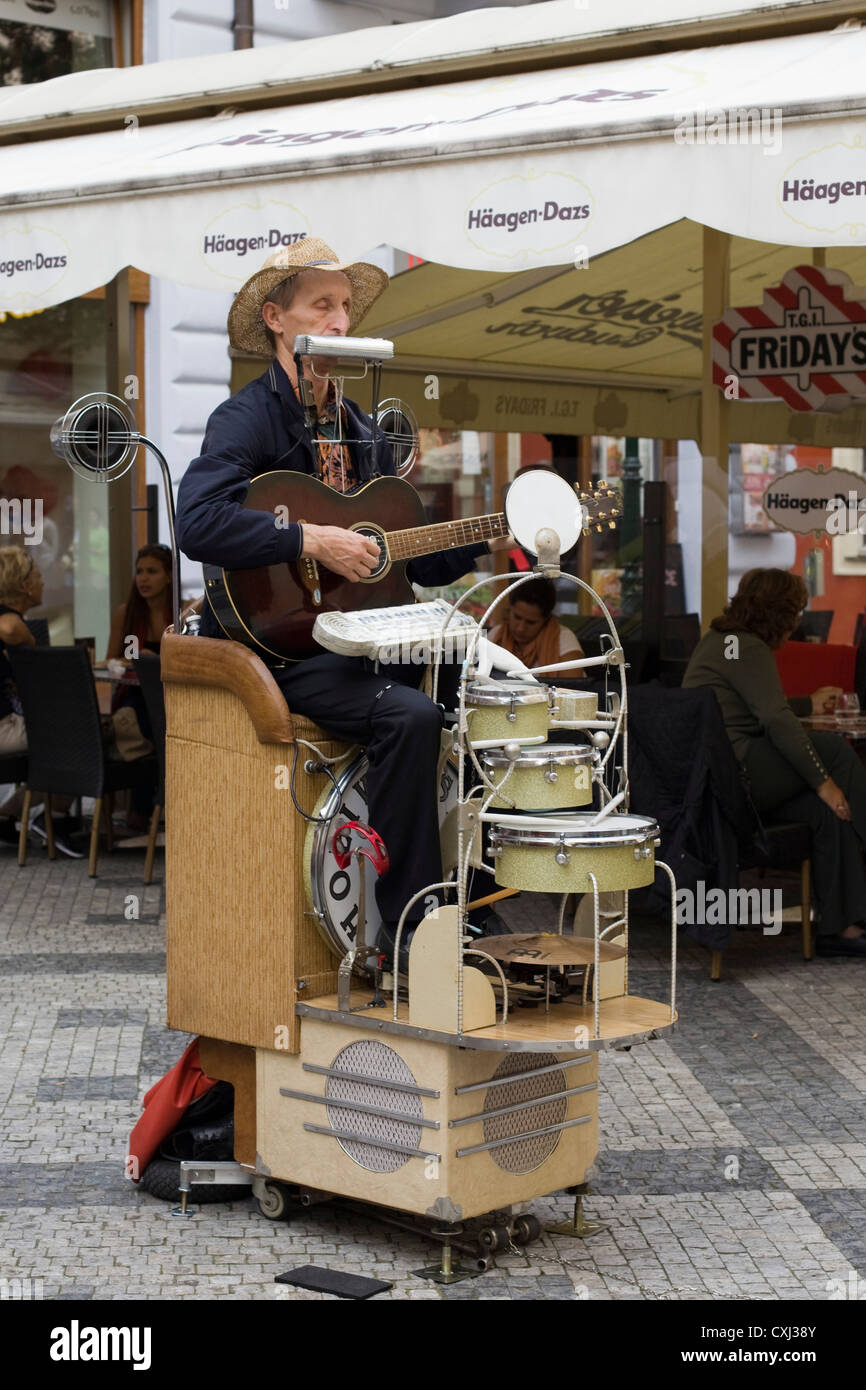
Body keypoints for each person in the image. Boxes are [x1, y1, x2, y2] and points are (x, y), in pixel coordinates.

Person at [175, 237, 509, 955]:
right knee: (412, 718)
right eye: (320, 306)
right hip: (285, 650)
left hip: (360, 639)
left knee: (465, 683)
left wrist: (503, 532)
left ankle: (470, 897)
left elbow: (400, 556)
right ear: (276, 318)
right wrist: (309, 541)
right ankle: (410, 927)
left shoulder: (361, 430)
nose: (338, 319)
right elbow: (195, 522)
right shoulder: (248, 418)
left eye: (345, 307)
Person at [683, 567, 866, 958]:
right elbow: (775, 720)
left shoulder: (720, 640)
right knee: (833, 751)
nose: (799, 620)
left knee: (825, 813)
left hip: (715, 779)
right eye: (796, 610)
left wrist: (806, 704)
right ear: (781, 613)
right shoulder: (746, 646)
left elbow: (754, 707)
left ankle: (841, 928)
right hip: (736, 774)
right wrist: (825, 783)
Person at [0, 547, 81, 855]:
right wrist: (32, 646)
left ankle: (7, 813)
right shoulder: (12, 624)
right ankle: (55, 819)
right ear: (23, 585)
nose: (43, 582)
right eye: (37, 576)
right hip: (3, 728)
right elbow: (9, 629)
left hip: (8, 722)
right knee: (76, 735)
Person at [106, 544, 174, 832]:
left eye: (152, 572)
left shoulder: (180, 615)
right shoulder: (128, 613)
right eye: (139, 572)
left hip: (168, 698)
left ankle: (146, 809)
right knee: (142, 716)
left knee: (156, 721)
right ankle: (141, 809)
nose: (143, 579)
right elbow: (111, 659)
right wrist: (133, 660)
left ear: (170, 576)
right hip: (134, 695)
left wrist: (156, 661)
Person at [487, 576, 584, 672]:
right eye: (517, 617)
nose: (520, 628)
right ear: (510, 610)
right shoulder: (496, 635)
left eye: (531, 622)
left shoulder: (564, 640)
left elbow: (572, 685)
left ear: (545, 619)